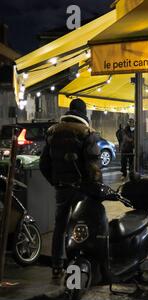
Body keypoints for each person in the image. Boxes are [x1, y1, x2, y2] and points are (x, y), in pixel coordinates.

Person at [39, 98, 102, 278]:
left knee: (60, 225)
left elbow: (44, 164)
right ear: (84, 113)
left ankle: (57, 265)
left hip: (62, 189)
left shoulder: (53, 132)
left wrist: (55, 181)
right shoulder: (86, 133)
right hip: (82, 189)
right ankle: (76, 263)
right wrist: (96, 187)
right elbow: (93, 167)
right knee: (81, 225)